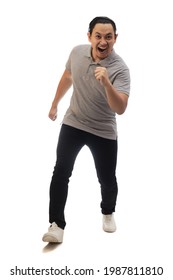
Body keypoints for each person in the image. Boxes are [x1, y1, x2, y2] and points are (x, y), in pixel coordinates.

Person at [42, 16, 130, 243]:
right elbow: (68, 75)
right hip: (74, 122)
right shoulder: (77, 52)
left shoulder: (120, 69)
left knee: (107, 179)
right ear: (89, 36)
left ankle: (108, 211)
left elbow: (120, 108)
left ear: (115, 39)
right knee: (61, 171)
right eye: (98, 36)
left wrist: (107, 83)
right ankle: (56, 225)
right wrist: (54, 103)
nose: (103, 41)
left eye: (108, 37)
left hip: (103, 130)